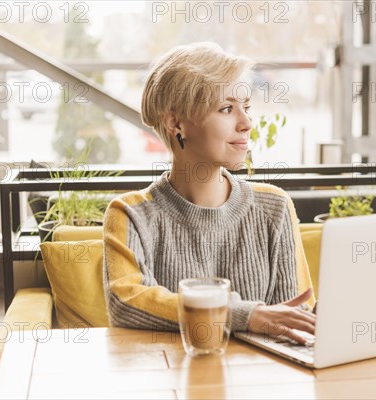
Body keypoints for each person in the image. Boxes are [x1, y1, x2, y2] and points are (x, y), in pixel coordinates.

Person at [103, 42, 315, 344]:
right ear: (176, 123)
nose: (246, 123)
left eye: (247, 107)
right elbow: (126, 301)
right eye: (227, 108)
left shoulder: (275, 207)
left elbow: (294, 320)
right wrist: (244, 314)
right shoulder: (130, 215)